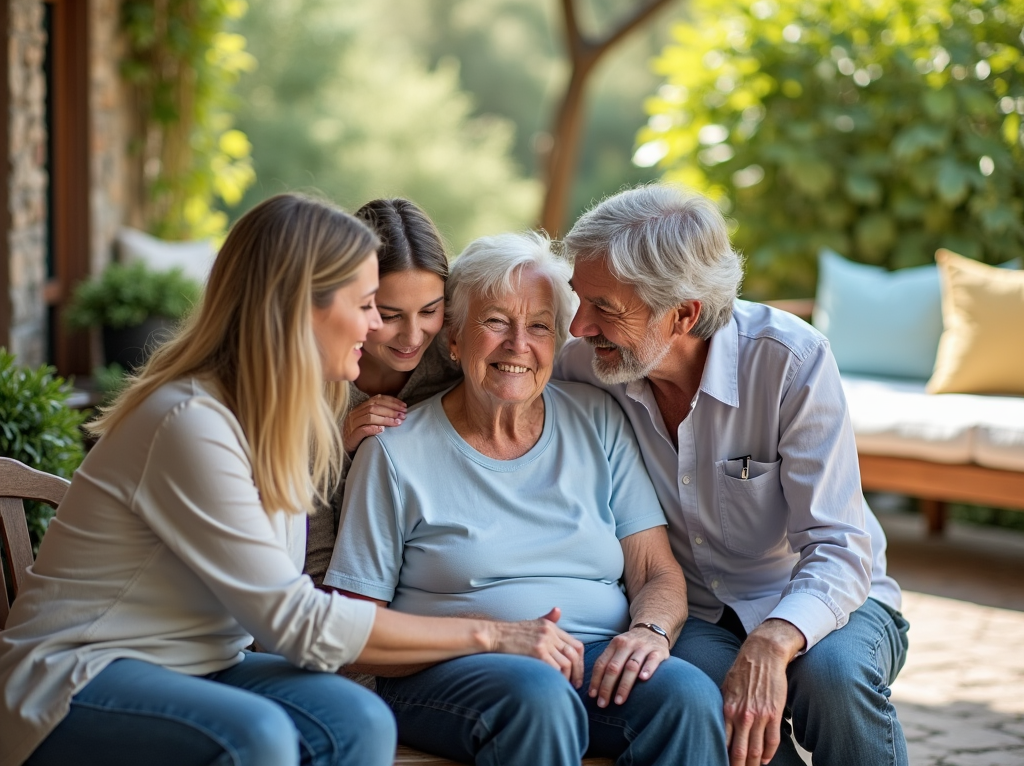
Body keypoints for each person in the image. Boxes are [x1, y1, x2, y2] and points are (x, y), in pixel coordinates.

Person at [0, 194, 584, 766]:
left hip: (207, 662)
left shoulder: (287, 413)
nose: (376, 326)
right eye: (365, 305)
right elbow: (293, 621)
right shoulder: (190, 421)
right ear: (298, 309)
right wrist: (491, 634)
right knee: (254, 737)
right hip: (79, 674)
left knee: (357, 718)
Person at [325, 231, 729, 766]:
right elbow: (353, 629)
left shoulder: (598, 419)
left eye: (539, 326)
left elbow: (657, 571)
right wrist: (497, 638)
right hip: (452, 673)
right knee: (539, 697)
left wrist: (649, 633)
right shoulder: (394, 452)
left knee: (686, 693)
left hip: (593, 659)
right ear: (452, 339)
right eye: (495, 322)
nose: (519, 344)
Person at [555, 184, 910, 766]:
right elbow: (486, 363)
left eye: (605, 309)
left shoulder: (789, 360)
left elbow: (842, 547)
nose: (578, 327)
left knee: (836, 682)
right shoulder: (586, 366)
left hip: (826, 593)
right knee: (715, 707)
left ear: (684, 314)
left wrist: (774, 638)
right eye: (579, 300)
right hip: (692, 612)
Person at [305, 197, 461, 585]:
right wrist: (335, 449)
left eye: (429, 311)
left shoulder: (455, 359)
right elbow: (302, 546)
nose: (412, 337)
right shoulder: (315, 379)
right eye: (388, 316)